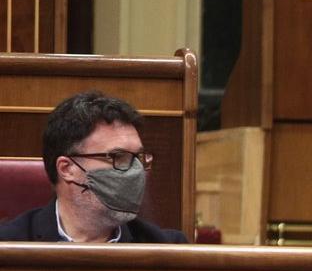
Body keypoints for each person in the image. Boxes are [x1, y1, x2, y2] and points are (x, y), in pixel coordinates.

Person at [0, 90, 187, 243]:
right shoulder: (9, 245)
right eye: (117, 157)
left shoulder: (168, 249)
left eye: (138, 157)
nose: (136, 170)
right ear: (67, 168)